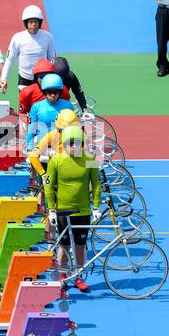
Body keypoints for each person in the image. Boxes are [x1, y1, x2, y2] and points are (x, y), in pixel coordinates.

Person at [44, 125, 102, 292]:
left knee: (80, 246)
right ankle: (63, 276)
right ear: (64, 143)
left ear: (82, 143)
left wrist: (96, 206)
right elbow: (48, 185)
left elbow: (96, 184)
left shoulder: (90, 159)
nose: (73, 146)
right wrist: (51, 209)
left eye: (77, 143)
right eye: (70, 143)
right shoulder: (56, 160)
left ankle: (78, 276)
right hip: (63, 211)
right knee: (64, 246)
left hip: (83, 211)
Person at [0, 5, 56, 91]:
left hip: (42, 79)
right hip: (24, 80)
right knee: (24, 105)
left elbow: (52, 60)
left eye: (36, 22)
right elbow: (10, 60)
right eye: (31, 22)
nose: (33, 25)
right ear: (26, 23)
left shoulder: (48, 37)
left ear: (40, 22)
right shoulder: (17, 38)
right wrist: (3, 79)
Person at [28, 109, 79, 181]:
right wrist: (43, 174)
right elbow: (33, 156)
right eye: (60, 130)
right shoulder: (53, 135)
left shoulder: (81, 137)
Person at [26, 74, 74, 151]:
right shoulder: (36, 107)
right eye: (49, 92)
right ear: (44, 92)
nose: (52, 95)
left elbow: (73, 128)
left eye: (55, 92)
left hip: (62, 148)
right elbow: (31, 131)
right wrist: (29, 149)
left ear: (60, 93)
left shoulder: (68, 106)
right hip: (42, 147)